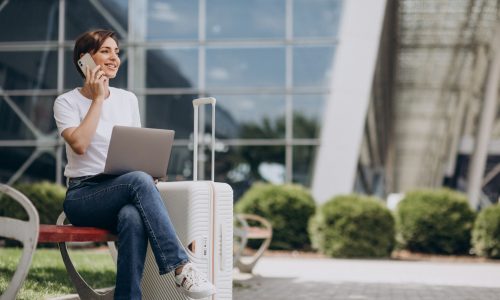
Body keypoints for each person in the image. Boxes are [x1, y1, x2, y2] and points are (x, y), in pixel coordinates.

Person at [53, 29, 216, 300]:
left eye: (116, 52)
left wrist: (150, 172)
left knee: (132, 215)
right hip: (84, 195)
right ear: (85, 60)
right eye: (106, 51)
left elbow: (135, 150)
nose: (114, 58)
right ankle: (181, 268)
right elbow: (79, 144)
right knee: (138, 180)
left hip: (124, 187)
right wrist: (97, 99)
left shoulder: (127, 99)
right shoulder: (66, 102)